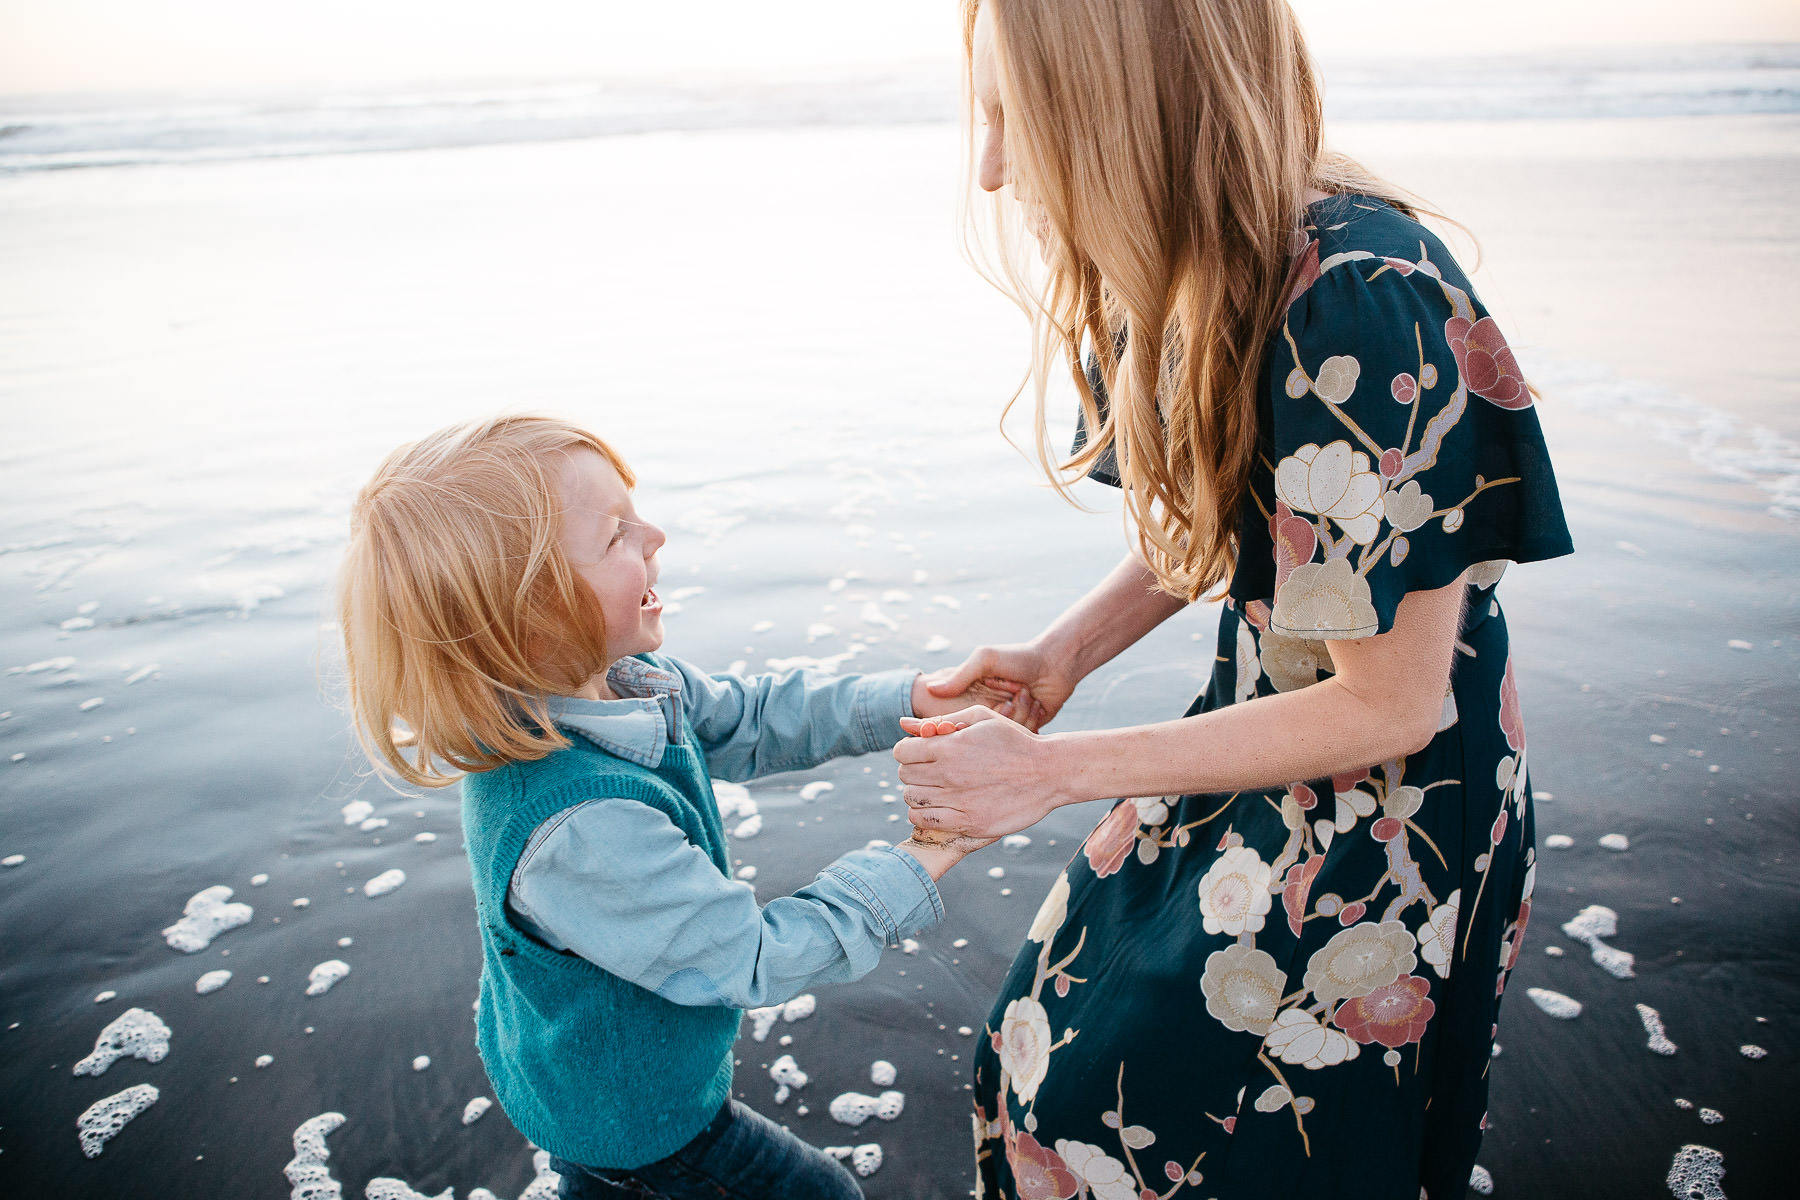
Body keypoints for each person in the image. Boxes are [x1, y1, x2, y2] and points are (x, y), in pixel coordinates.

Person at [891, 2, 1574, 1197]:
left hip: (1394, 808)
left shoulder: (1358, 297)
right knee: (1038, 1055)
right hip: (1254, 729)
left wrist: (1047, 774)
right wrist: (1064, 656)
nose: (992, 169)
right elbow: (1252, 526)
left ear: (1129, 107)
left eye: (1019, 118)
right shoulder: (1185, 267)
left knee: (1204, 1138)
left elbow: (1391, 705)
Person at [336, 415, 996, 1200]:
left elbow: (754, 719)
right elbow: (752, 957)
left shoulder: (621, 681)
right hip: (640, 1121)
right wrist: (927, 852)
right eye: (616, 535)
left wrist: (914, 699)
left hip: (577, 1067)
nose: (654, 536)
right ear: (529, 614)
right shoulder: (579, 828)